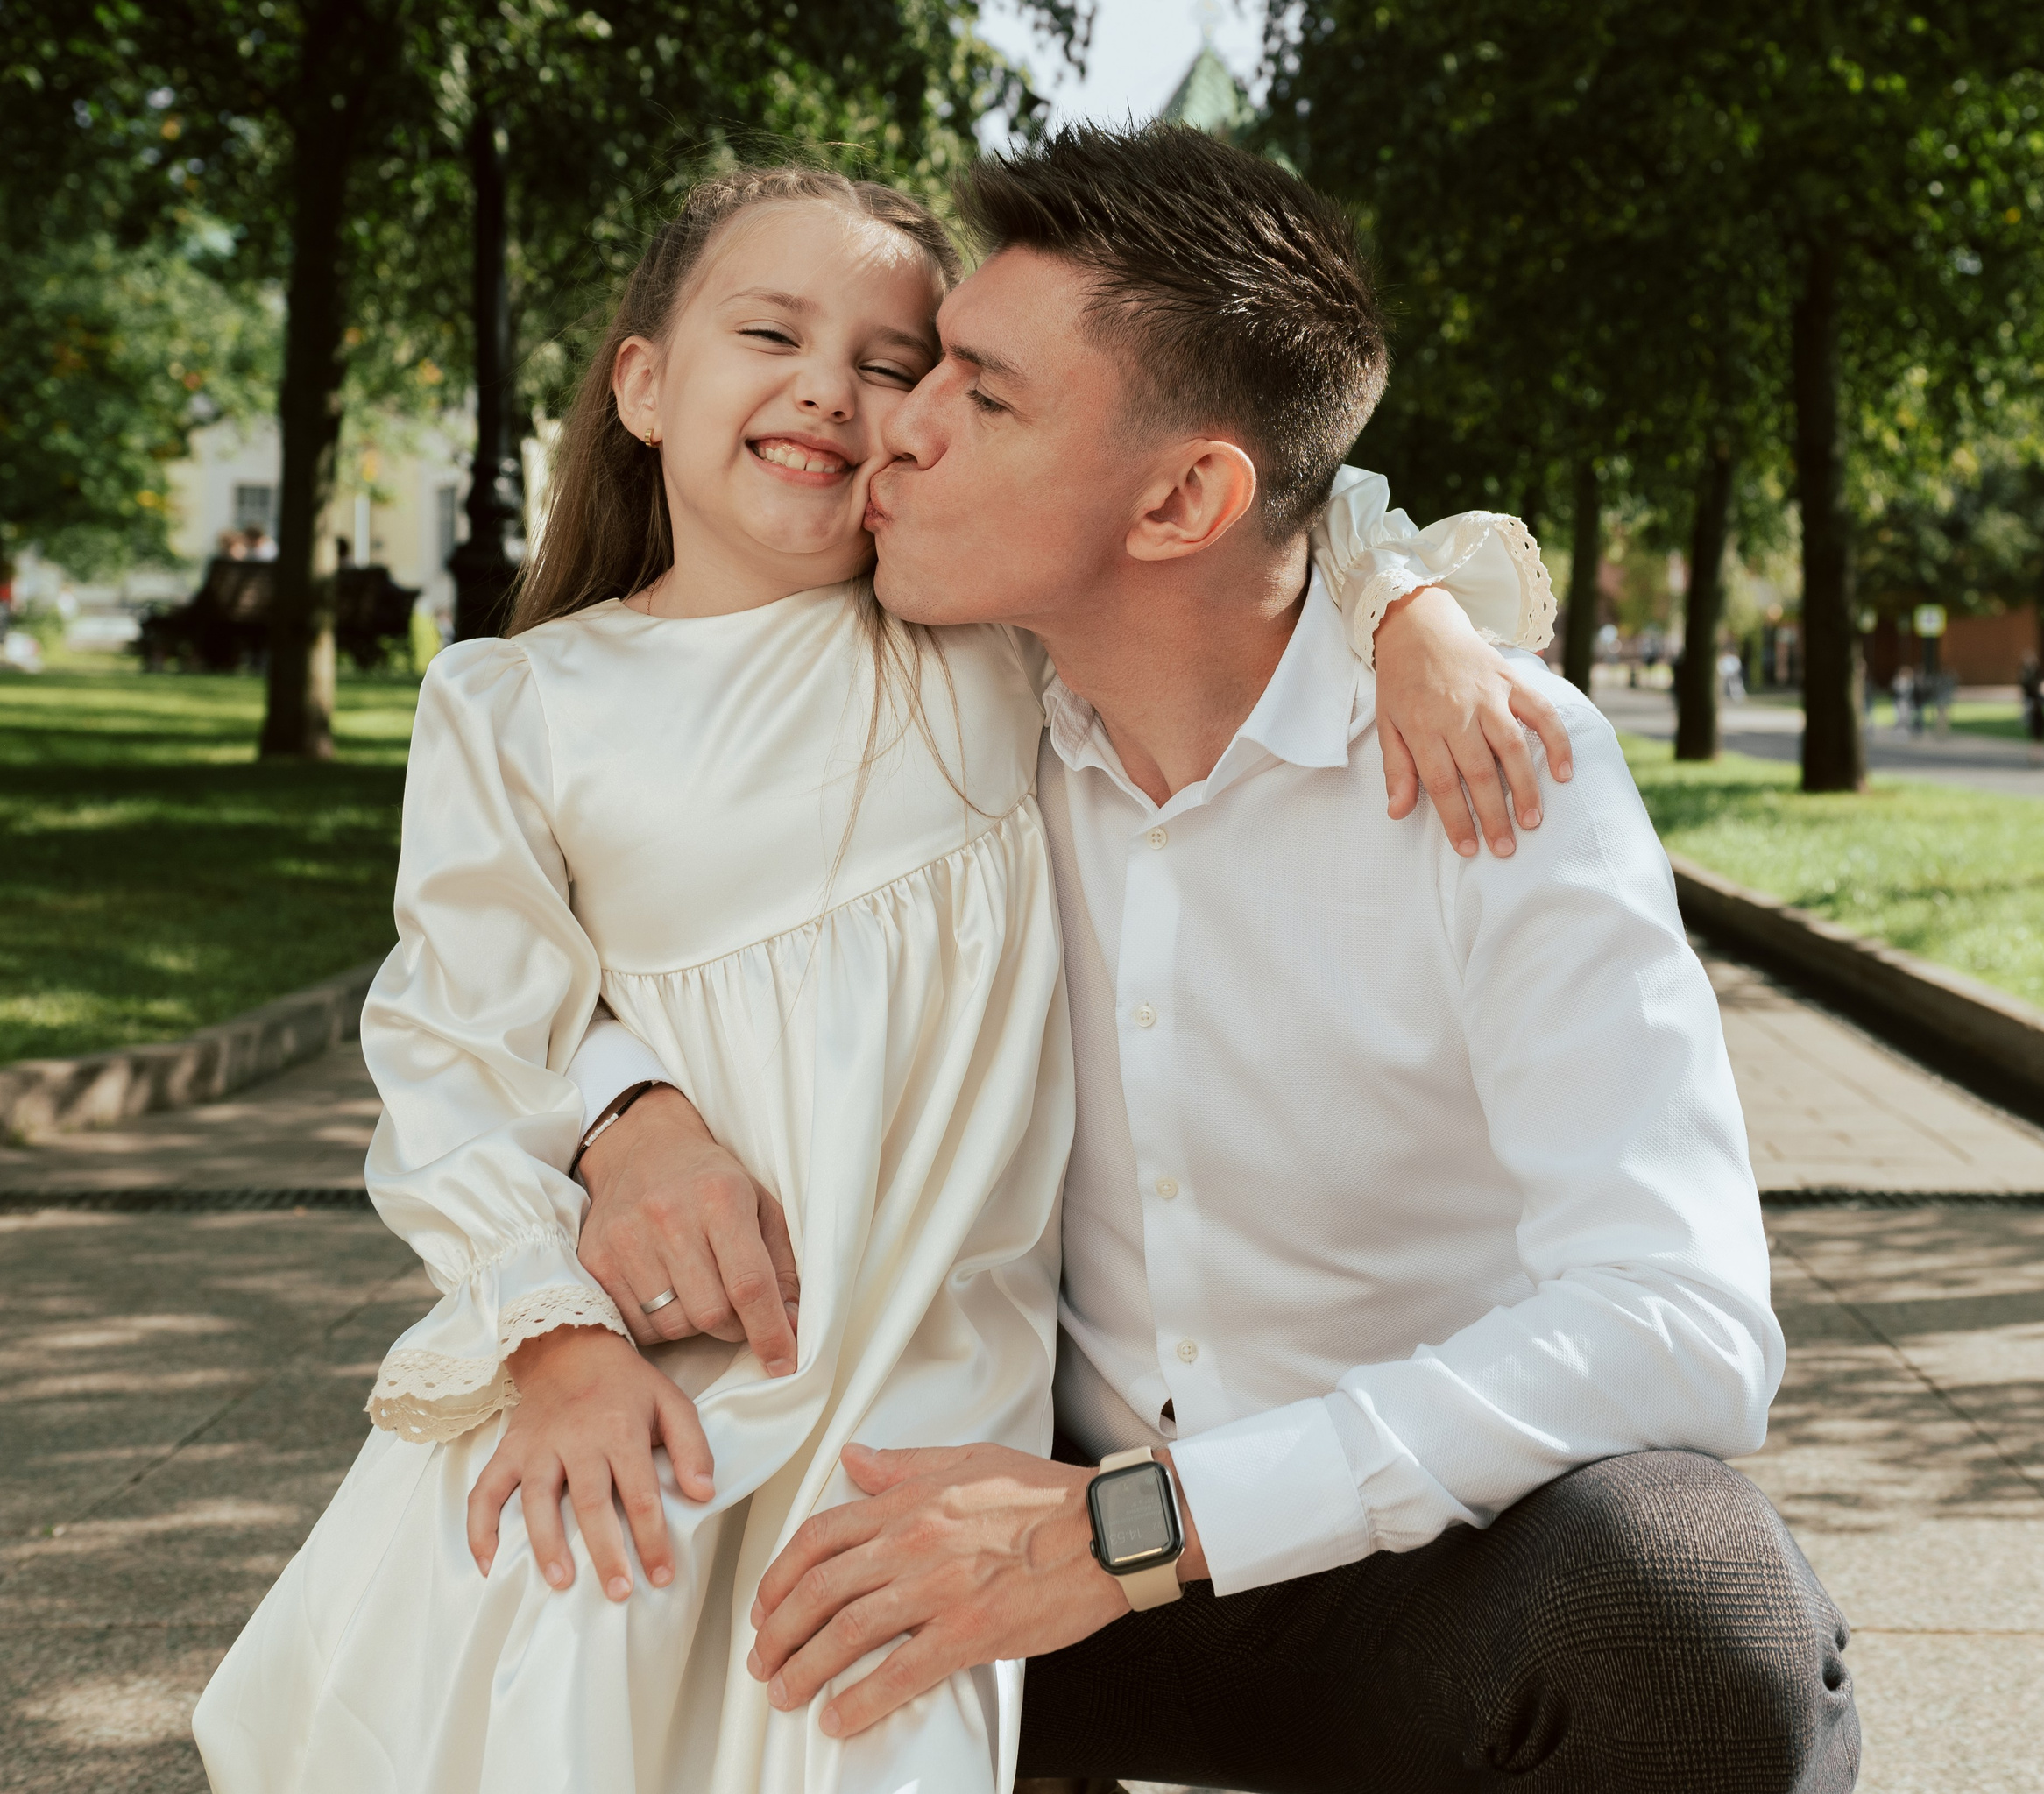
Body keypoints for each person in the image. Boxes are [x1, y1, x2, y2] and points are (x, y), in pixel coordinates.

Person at [193, 160, 1550, 1794]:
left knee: (855, 1719)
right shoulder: (516, 703)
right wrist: (556, 1340)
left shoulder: (980, 647)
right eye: (768, 329)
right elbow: (458, 1037)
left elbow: (1235, 491)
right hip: (655, 1384)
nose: (834, 389)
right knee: (567, 1688)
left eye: (899, 364)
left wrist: (1406, 607)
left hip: (918, 1414)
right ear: (639, 379)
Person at [569, 126, 1857, 1792]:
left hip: (1406, 1553)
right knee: (673, 1586)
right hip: (1028, 1545)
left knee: (1690, 1618)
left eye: (984, 392)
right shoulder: (942, 726)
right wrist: (626, 1109)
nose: (902, 423)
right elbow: (578, 908)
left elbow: (1684, 1319)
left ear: (1182, 498)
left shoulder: (1491, 764)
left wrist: (1138, 1527)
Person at [2025, 656, 2044, 767]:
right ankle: (2036, 755)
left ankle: (2037, 755)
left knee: (2039, 735)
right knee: (2036, 734)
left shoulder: (2038, 676)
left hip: (2039, 713)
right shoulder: (2029, 677)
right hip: (2035, 711)